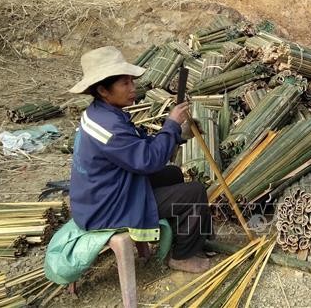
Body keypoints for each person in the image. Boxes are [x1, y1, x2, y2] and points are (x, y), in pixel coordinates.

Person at [68, 46, 212, 273]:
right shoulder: (109, 127)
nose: (133, 88)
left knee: (173, 173)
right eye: (125, 83)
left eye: (131, 82)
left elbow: (137, 147)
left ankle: (180, 235)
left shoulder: (102, 112)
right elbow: (149, 160)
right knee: (195, 192)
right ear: (104, 90)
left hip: (101, 193)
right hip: (106, 209)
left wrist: (177, 134)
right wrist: (171, 124)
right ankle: (182, 256)